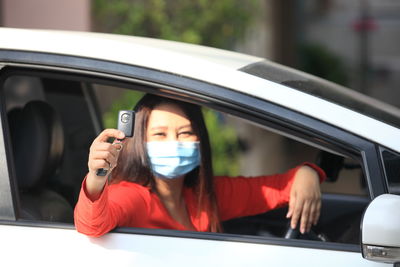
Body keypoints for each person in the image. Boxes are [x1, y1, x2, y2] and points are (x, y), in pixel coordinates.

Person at [74, 94, 325, 237]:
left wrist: (307, 173)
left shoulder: (205, 194)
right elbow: (91, 225)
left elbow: (274, 189)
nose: (174, 142)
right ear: (140, 142)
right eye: (160, 135)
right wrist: (97, 178)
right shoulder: (132, 196)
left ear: (200, 139)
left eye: (185, 133)